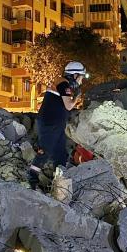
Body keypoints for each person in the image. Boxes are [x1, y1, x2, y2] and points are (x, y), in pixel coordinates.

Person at [28, 62, 86, 191]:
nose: (81, 81)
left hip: (56, 123)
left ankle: (58, 184)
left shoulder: (62, 83)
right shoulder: (63, 83)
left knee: (60, 154)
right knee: (45, 151)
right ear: (74, 75)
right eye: (81, 77)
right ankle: (31, 180)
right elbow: (69, 106)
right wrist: (77, 96)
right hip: (50, 123)